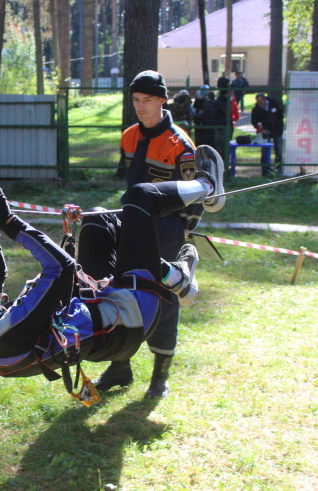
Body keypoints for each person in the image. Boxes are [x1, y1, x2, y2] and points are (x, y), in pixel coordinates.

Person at [0, 147, 226, 398]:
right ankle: (209, 186)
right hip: (130, 317)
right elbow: (61, 269)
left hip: (105, 310)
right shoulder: (4, 339)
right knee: (140, 198)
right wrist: (9, 221)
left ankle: (176, 278)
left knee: (99, 221)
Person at [111, 70, 204, 399]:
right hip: (132, 223)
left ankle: (160, 376)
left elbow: (195, 200)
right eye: (136, 100)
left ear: (162, 100)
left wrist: (179, 235)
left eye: (147, 100)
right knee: (121, 292)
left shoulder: (181, 145)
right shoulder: (128, 137)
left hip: (166, 230)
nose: (140, 107)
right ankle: (119, 365)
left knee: (164, 299)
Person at [251, 93, 285, 171]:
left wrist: (279, 124)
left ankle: (278, 167)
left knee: (278, 149)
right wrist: (261, 129)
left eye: (261, 102)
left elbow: (280, 114)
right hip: (266, 132)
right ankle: (266, 169)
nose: (260, 104)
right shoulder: (256, 109)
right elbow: (254, 121)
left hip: (277, 130)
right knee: (265, 150)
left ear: (265, 99)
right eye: (258, 102)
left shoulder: (273, 103)